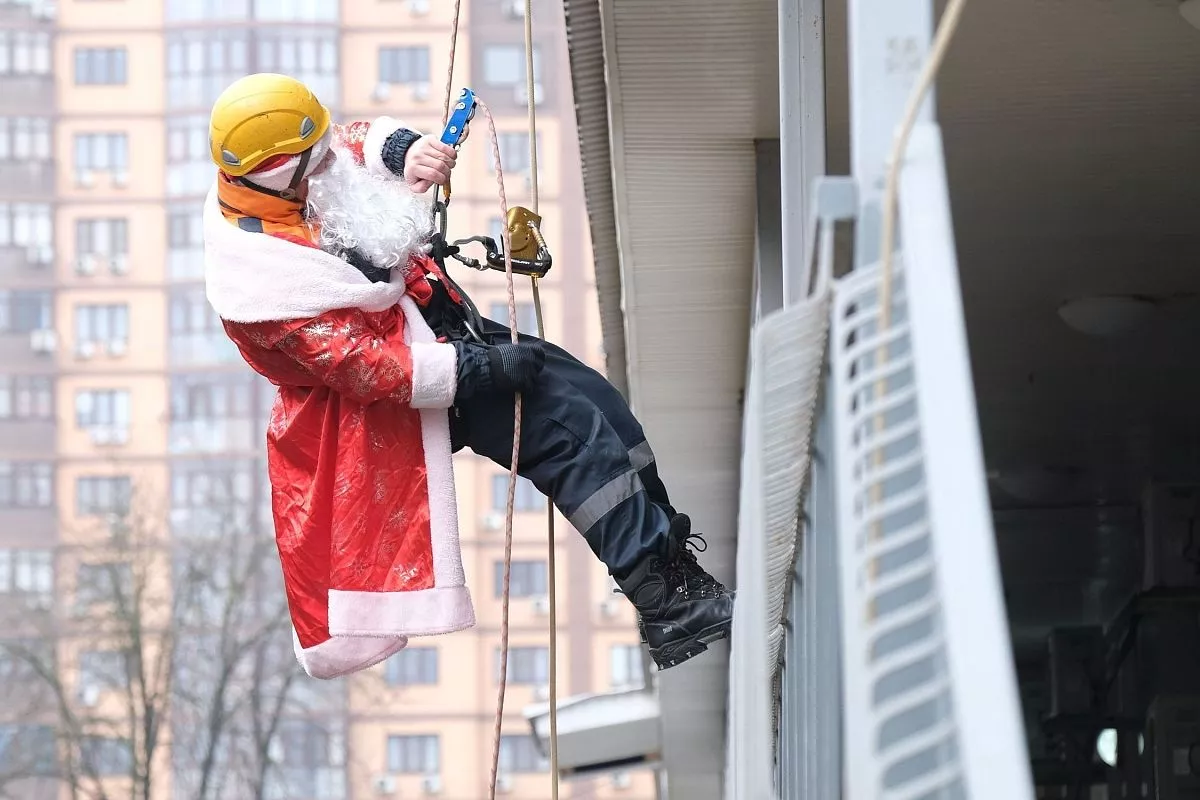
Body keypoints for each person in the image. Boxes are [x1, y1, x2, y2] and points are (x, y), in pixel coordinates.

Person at [203, 73, 733, 679]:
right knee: (570, 437)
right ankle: (668, 603)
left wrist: (402, 150)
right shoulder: (262, 284)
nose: (329, 159)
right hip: (412, 392)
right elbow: (363, 367)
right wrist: (475, 368)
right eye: (313, 157)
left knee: (597, 402)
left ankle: (676, 571)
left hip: (440, 331)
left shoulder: (286, 175)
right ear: (278, 172)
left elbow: (345, 144)